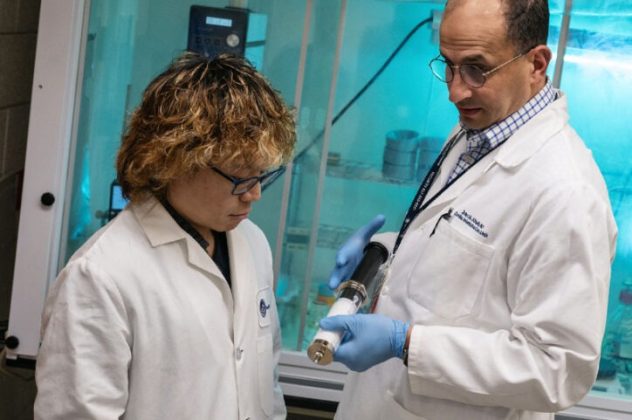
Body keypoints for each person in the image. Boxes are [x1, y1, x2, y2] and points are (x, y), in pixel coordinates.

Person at [320, 0, 618, 419]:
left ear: (536, 64)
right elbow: (461, 252)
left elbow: (557, 369)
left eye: (477, 68)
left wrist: (406, 343)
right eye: (449, 65)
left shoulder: (566, 193)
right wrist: (381, 254)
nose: (455, 90)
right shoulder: (475, 128)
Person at [34, 52, 296, 420]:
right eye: (240, 177)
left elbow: (265, 385)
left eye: (262, 175)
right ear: (175, 160)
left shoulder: (252, 242)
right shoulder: (99, 277)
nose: (254, 194)